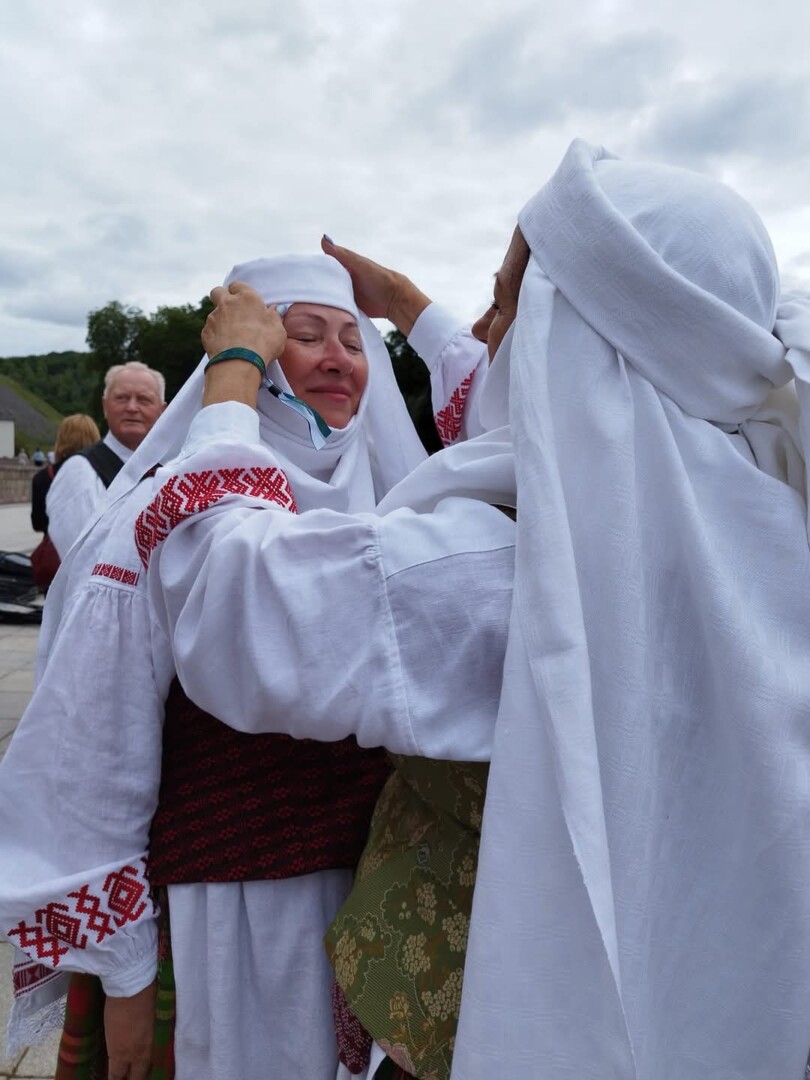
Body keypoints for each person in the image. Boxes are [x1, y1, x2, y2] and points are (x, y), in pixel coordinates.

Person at [135, 140, 809, 1079]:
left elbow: (231, 601)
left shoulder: (499, 571)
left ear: (568, 335)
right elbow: (545, 393)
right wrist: (409, 308)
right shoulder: (768, 512)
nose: (491, 333)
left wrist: (237, 373)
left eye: (513, 305)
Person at [0, 253, 496, 1080]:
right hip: (240, 897)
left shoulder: (404, 498)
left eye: (354, 339)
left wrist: (406, 305)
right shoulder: (163, 509)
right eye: (304, 336)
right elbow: (97, 738)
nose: (339, 356)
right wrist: (123, 968)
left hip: (391, 900)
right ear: (252, 361)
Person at [46, 362, 165, 558]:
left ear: (162, 410)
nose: (132, 407)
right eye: (122, 398)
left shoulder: (165, 471)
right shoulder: (80, 471)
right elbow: (84, 561)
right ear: (105, 406)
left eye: (144, 399)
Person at [30, 415, 101, 592]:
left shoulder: (42, 477)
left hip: (55, 563)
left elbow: (37, 523)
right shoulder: (102, 473)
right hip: (93, 563)